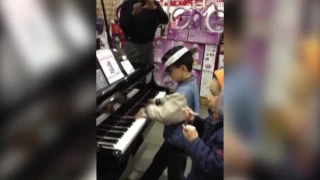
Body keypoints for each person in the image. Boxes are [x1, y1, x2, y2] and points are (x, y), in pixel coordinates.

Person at [138, 45, 200, 180]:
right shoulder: (189, 83)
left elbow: (166, 114)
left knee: (175, 173)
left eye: (170, 71)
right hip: (175, 139)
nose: (169, 75)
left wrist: (147, 110)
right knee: (159, 162)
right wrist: (157, 101)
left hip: (179, 142)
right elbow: (172, 99)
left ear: (182, 68)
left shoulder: (184, 92)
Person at [182, 69, 224, 180]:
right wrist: (196, 121)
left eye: (213, 94)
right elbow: (208, 134)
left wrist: (195, 141)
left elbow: (215, 165)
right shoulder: (217, 116)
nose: (208, 97)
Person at [119, 0, 169, 67]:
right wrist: (133, 14)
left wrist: (155, 9)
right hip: (131, 45)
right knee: (130, 72)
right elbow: (122, 25)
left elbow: (165, 20)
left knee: (147, 72)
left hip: (148, 45)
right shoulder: (128, 4)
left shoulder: (153, 3)